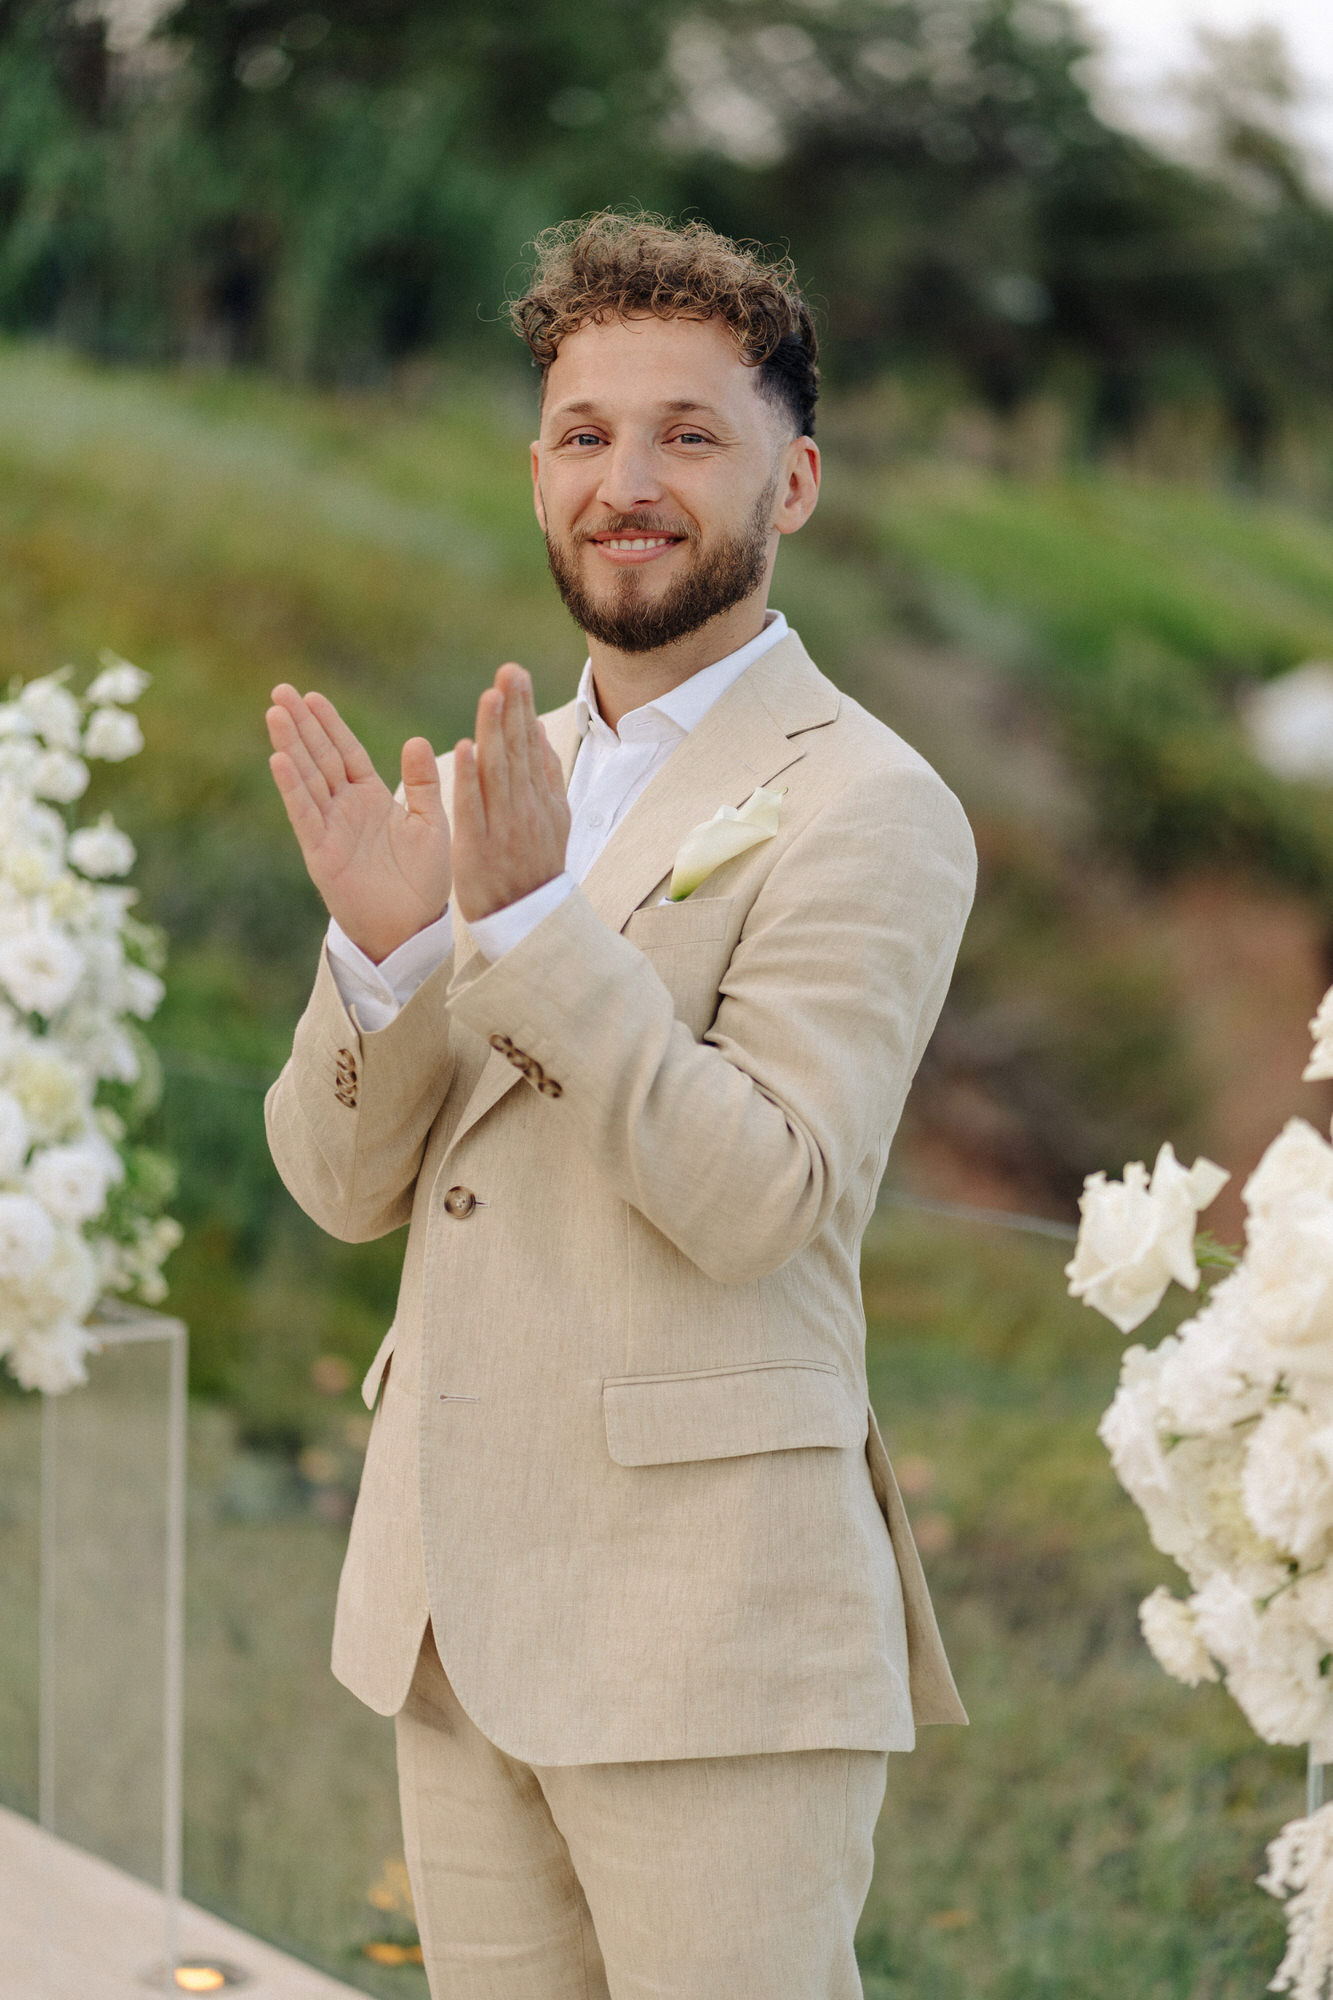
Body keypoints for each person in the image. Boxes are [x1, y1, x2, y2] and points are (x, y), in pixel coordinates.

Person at [264, 211, 976, 2000]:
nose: (626, 481)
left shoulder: (870, 804)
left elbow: (761, 1196)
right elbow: (343, 1189)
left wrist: (526, 930)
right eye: (583, 434)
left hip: (706, 1637)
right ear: (537, 476)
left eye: (687, 435)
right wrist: (382, 959)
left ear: (789, 481)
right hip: (451, 1613)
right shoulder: (498, 774)